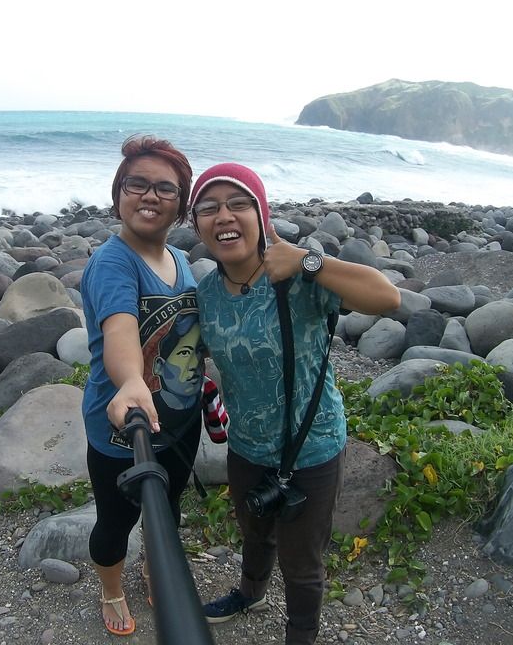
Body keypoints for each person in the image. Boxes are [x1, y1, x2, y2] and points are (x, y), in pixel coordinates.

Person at [189, 163, 401, 645]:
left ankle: (300, 636)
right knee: (254, 532)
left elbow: (387, 298)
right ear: (197, 223)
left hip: (311, 445)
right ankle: (250, 593)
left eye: (238, 204)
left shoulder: (300, 276)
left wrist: (311, 260)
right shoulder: (206, 293)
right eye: (209, 207)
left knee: (302, 562)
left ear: (261, 214)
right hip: (246, 445)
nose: (224, 215)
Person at [81, 135, 206, 636]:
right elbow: (119, 329)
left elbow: (187, 334)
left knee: (168, 506)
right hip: (124, 428)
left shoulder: (181, 260)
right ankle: (111, 589)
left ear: (180, 206)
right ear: (118, 194)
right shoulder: (113, 263)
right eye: (137, 184)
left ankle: (157, 566)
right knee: (115, 523)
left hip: (179, 420)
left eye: (165, 189)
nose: (149, 196)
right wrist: (131, 380)